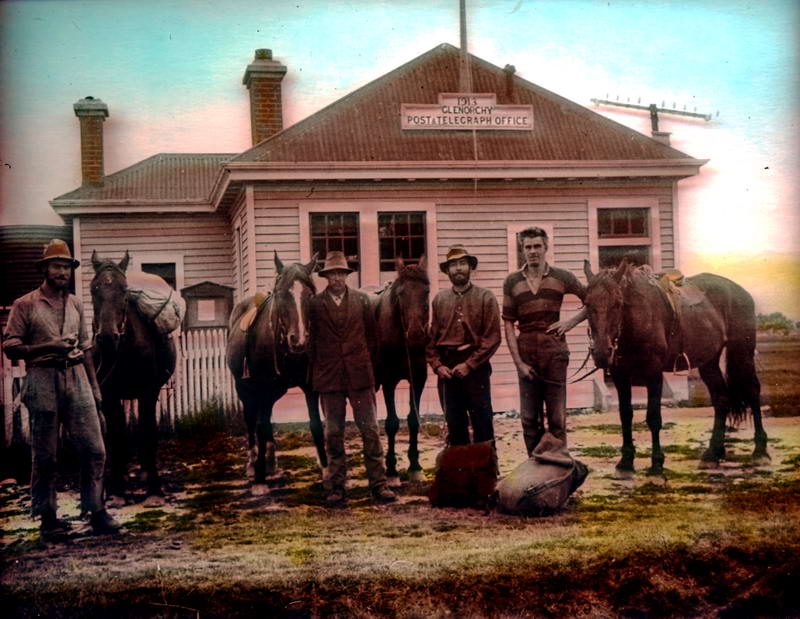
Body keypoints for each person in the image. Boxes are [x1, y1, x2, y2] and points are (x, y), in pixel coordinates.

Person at [2, 240, 121, 537]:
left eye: (66, 266)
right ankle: (48, 518)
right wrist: (47, 346)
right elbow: (10, 346)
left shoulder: (77, 303)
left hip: (77, 376)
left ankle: (96, 511)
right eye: (56, 266)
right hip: (42, 378)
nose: (62, 272)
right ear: (44, 269)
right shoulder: (25, 304)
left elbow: (86, 348)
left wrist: (94, 390)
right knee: (46, 455)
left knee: (95, 449)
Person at [309, 251, 397, 506]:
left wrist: (368, 370)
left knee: (370, 430)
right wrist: (320, 374)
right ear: (326, 277)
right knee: (333, 432)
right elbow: (312, 344)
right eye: (332, 273)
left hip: (360, 376)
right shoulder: (315, 304)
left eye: (341, 273)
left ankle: (379, 485)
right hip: (330, 378)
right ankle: (336, 487)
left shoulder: (362, 301)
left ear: (347, 275)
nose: (337, 278)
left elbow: (372, 339)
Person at [502, 227, 587, 455]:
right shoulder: (512, 281)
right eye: (528, 247)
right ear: (522, 250)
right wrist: (519, 363)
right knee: (529, 419)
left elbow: (593, 300)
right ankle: (535, 468)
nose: (533, 252)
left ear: (546, 247)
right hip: (526, 351)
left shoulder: (562, 276)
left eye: (537, 246)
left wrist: (570, 322)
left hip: (555, 351)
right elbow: (508, 323)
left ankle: (559, 470)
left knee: (557, 418)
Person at [427, 245, 501, 446]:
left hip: (476, 368)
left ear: (470, 268)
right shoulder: (439, 300)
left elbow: (492, 338)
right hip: (448, 370)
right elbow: (431, 340)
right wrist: (437, 366)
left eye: (462, 264)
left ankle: (487, 475)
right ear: (447, 271)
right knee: (455, 426)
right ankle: (461, 475)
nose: (458, 269)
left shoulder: (486, 297)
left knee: (483, 425)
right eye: (453, 265)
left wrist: (469, 365)